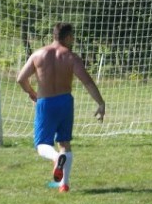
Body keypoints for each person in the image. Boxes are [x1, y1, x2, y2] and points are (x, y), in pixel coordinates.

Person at [16, 23, 106, 192]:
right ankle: (63, 184)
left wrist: (32, 92)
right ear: (66, 37)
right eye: (72, 37)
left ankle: (56, 158)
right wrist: (100, 103)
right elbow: (87, 82)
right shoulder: (71, 57)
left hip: (46, 103)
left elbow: (21, 78)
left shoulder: (38, 54)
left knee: (42, 144)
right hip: (65, 102)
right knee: (64, 143)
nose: (73, 40)